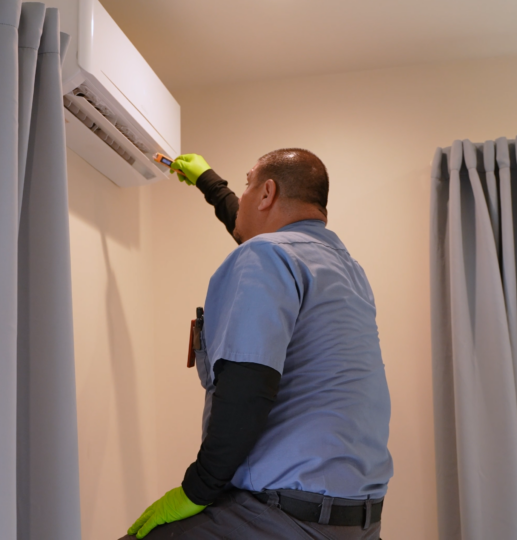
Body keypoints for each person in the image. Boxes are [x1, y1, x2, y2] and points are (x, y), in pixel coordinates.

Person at [123, 150, 392, 540]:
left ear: (267, 193)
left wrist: (196, 490)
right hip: (356, 522)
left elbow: (247, 388)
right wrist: (208, 183)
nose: (243, 196)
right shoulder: (344, 267)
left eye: (247, 184)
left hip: (283, 520)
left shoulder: (263, 256)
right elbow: (252, 228)